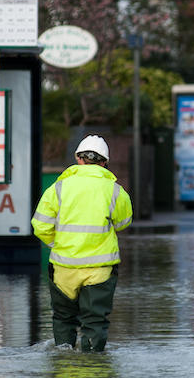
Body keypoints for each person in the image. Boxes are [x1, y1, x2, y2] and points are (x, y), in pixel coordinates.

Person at [31, 135, 133, 351]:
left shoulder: (58, 188)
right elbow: (124, 222)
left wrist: (57, 244)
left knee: (63, 319)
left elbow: (40, 225)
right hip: (99, 271)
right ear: (105, 162)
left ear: (78, 158)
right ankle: (93, 368)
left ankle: (63, 363)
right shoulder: (114, 190)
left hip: (63, 270)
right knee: (94, 322)